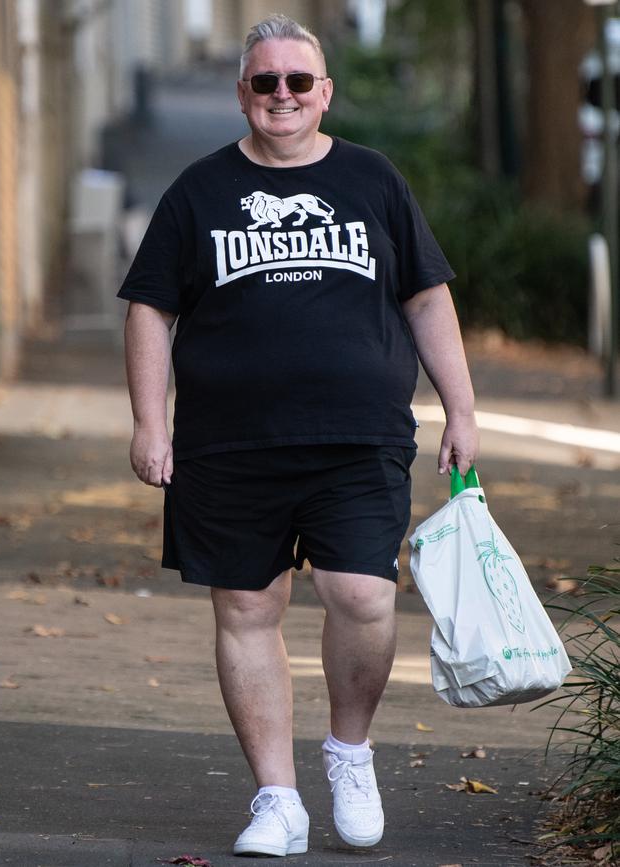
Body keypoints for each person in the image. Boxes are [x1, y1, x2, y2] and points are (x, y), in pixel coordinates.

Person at [118, 13, 478, 858]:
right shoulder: (197, 192)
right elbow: (149, 307)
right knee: (248, 606)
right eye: (266, 82)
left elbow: (427, 298)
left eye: (299, 81)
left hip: (359, 438)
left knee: (363, 596)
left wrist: (461, 407)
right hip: (227, 445)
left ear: (325, 93)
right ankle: (276, 799)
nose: (283, 95)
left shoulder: (372, 179)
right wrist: (149, 419)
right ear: (243, 94)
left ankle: (349, 753)